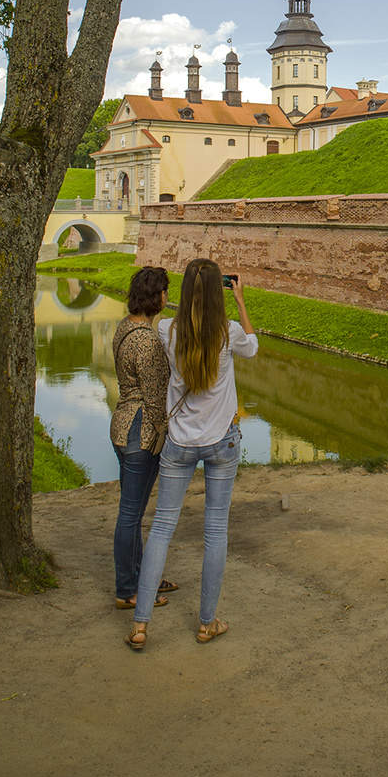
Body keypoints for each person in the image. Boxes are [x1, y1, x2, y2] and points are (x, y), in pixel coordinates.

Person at [125, 258, 257, 651]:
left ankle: (140, 625)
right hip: (221, 441)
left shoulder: (167, 329)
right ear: (220, 292)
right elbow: (253, 347)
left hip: (179, 443)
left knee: (161, 528)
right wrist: (240, 300)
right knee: (215, 532)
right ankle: (206, 623)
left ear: (182, 293)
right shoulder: (228, 333)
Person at [111, 265, 178, 611]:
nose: (167, 296)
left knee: (132, 511)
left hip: (121, 422)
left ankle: (141, 576)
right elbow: (154, 400)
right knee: (131, 514)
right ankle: (128, 590)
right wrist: (166, 434)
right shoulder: (148, 341)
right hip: (140, 430)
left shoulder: (125, 327)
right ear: (157, 297)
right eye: (165, 291)